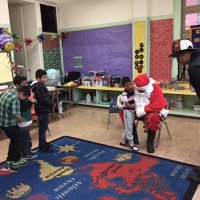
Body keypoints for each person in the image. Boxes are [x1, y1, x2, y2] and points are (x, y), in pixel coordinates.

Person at [168, 38, 200, 183]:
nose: (178, 60)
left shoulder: (193, 67)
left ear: (185, 54)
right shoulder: (197, 60)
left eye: (178, 57)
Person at [133, 73, 169, 153]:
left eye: (141, 90)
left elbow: (158, 105)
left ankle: (150, 141)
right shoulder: (136, 87)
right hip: (139, 109)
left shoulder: (155, 88)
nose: (139, 91)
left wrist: (143, 110)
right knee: (126, 112)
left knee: (153, 118)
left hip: (154, 110)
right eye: (138, 90)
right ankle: (133, 138)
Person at [0, 85, 31, 171]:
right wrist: (24, 121)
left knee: (14, 140)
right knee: (18, 141)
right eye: (24, 97)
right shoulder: (15, 100)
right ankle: (15, 162)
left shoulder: (7, 92)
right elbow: (17, 115)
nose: (23, 99)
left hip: (2, 122)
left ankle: (9, 160)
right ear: (21, 93)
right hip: (9, 124)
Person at [12, 75, 38, 159]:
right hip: (22, 120)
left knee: (26, 135)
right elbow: (21, 107)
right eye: (24, 83)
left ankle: (28, 150)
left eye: (26, 83)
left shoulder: (23, 91)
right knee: (24, 137)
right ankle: (26, 153)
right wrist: (30, 102)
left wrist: (30, 103)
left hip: (26, 117)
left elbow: (26, 104)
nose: (26, 85)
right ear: (17, 85)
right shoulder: (17, 95)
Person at [31, 69, 54, 153]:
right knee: (43, 128)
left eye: (46, 77)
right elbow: (44, 99)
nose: (46, 79)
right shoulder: (40, 87)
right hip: (42, 110)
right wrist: (52, 103)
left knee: (43, 127)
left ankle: (43, 142)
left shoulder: (38, 86)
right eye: (44, 77)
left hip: (42, 109)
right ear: (38, 78)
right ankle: (42, 145)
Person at [117, 77, 139, 151]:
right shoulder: (124, 95)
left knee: (128, 127)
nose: (129, 86)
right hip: (128, 112)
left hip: (133, 112)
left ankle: (123, 141)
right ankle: (131, 144)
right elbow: (128, 105)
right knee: (129, 128)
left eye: (130, 84)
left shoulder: (133, 91)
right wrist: (135, 106)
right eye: (127, 85)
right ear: (124, 86)